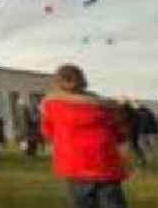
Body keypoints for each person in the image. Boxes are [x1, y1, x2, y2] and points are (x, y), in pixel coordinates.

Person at [41, 64, 128, 208]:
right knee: (112, 202)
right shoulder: (104, 106)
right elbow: (120, 133)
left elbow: (48, 132)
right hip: (104, 161)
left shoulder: (51, 105)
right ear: (83, 80)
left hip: (73, 162)